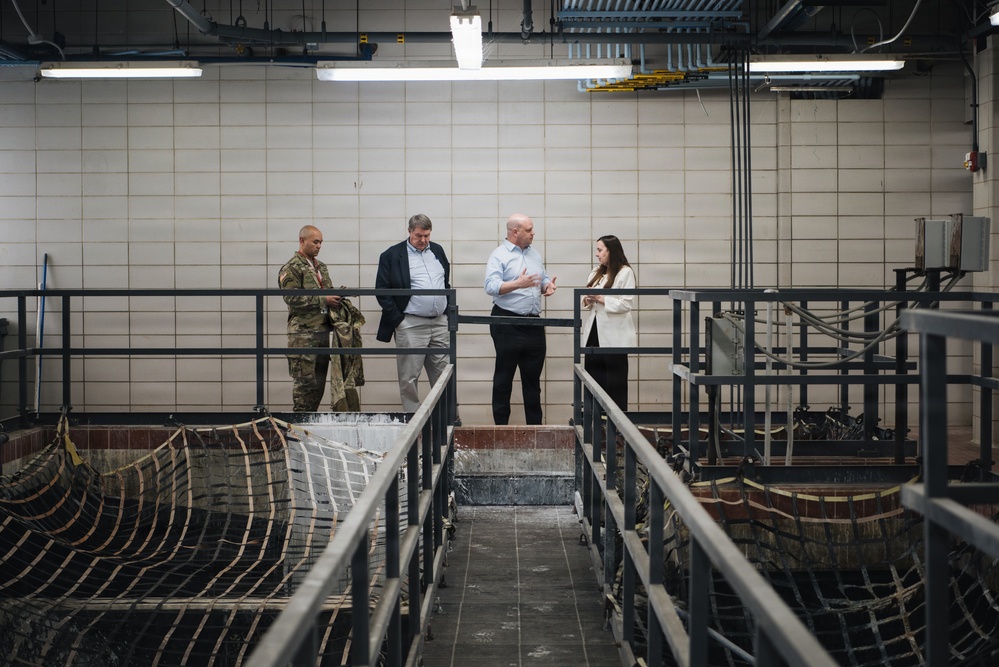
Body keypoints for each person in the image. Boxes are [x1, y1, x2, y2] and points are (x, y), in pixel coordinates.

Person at [484, 213, 557, 425]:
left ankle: (535, 432)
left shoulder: (535, 254)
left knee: (533, 381)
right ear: (515, 232)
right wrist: (518, 284)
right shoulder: (499, 255)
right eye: (529, 230)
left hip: (534, 324)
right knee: (503, 379)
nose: (533, 233)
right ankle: (501, 432)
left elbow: (541, 277)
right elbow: (490, 286)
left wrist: (546, 285)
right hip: (507, 322)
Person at [376, 214, 452, 413]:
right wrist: (399, 320)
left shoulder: (437, 250)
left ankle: (447, 418)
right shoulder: (391, 255)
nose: (424, 240)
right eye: (419, 235)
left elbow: (446, 283)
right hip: (410, 323)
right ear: (409, 231)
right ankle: (413, 420)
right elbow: (382, 291)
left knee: (444, 373)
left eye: (427, 235)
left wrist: (447, 313)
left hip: (439, 322)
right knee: (409, 376)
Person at [278, 225, 341, 412]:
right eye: (315, 241)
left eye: (321, 242)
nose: (319, 246)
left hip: (321, 333)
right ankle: (299, 431)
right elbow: (292, 298)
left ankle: (309, 427)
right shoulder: (291, 268)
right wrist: (324, 299)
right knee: (305, 386)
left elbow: (327, 292)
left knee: (318, 386)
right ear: (302, 241)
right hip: (303, 336)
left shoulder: (321, 267)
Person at [581, 235, 637, 410]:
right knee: (594, 381)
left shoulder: (625, 272)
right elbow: (583, 300)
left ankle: (618, 430)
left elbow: (627, 303)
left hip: (615, 337)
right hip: (594, 334)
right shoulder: (596, 272)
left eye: (600, 250)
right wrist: (589, 300)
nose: (597, 254)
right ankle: (596, 425)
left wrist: (600, 298)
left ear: (611, 251)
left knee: (615, 384)